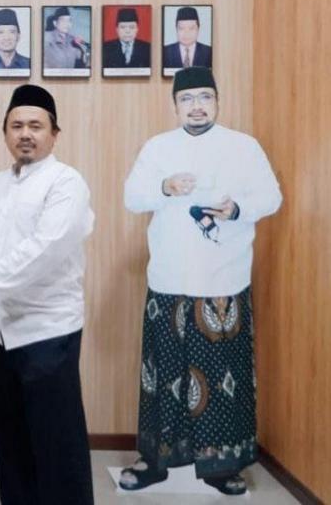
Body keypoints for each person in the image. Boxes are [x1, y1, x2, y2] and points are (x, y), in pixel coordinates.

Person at [120, 66, 282, 496]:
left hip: (222, 281)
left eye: (205, 97)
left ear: (217, 102)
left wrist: (237, 209)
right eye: (187, 99)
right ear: (175, 106)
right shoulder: (158, 148)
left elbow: (272, 197)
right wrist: (165, 187)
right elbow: (132, 197)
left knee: (222, 378)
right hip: (169, 281)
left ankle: (222, 465)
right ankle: (154, 460)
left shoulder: (244, 147)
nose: (197, 107)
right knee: (163, 376)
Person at [0, 84, 95, 505]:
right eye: (16, 126)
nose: (25, 134)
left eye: (35, 125)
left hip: (47, 331)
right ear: (5, 133)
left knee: (56, 443)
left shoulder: (66, 183)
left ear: (54, 133)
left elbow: (44, 250)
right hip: (0, 331)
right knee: (12, 439)